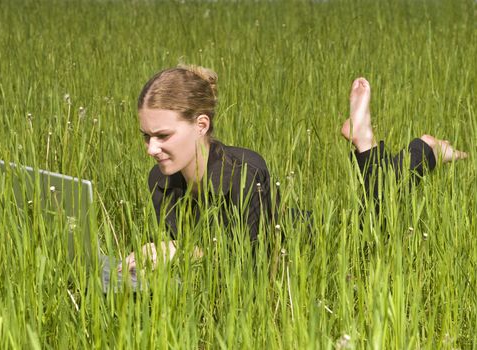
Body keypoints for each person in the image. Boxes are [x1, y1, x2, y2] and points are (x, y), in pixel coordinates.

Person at [109, 66, 467, 283]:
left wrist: (182, 252)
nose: (151, 149)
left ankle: (373, 142)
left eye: (162, 136)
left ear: (201, 125)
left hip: (300, 237)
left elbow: (253, 263)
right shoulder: (160, 183)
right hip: (265, 233)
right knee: (386, 192)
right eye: (146, 136)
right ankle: (423, 148)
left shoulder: (245, 173)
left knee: (375, 229)